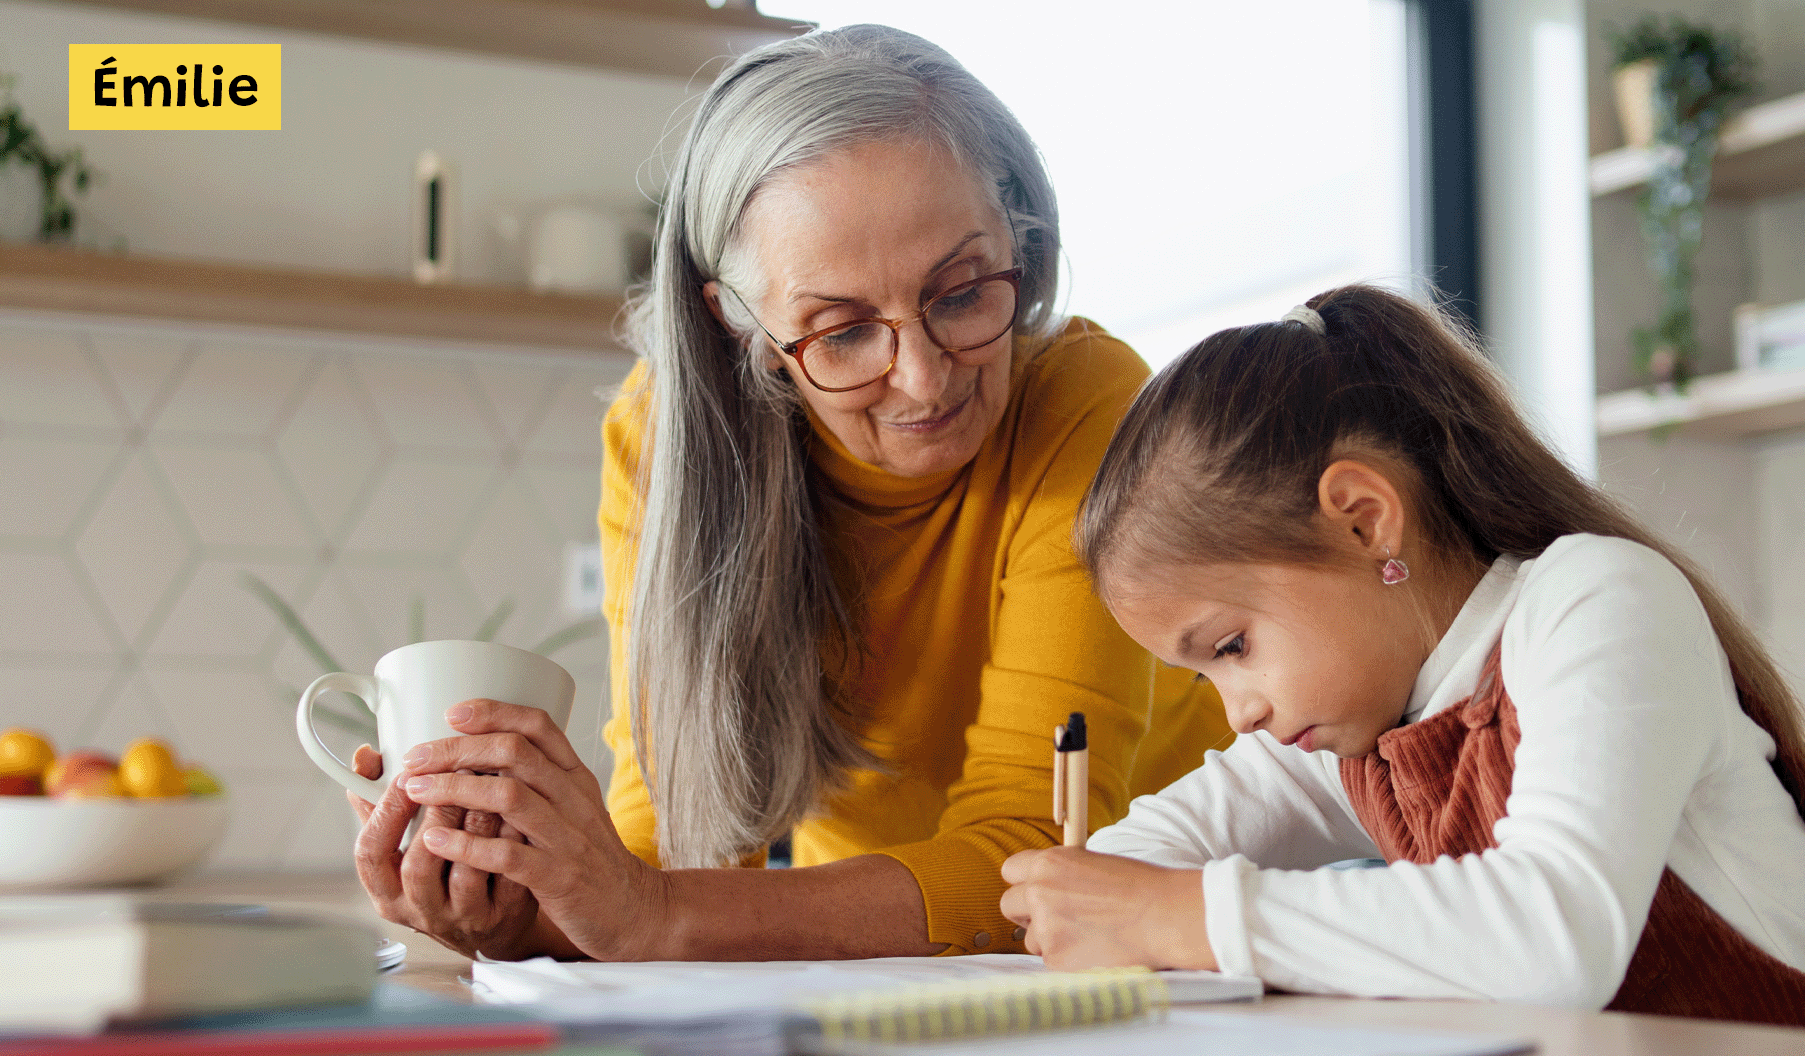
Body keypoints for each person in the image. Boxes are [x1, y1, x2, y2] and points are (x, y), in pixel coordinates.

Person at [345, 24, 1231, 962]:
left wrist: (647, 909)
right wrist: (519, 912)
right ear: (737, 320)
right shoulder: (666, 439)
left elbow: (1036, 848)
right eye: (843, 332)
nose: (926, 378)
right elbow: (672, 846)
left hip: (1170, 931)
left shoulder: (1084, 401)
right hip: (879, 957)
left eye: (964, 292)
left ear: (1022, 231)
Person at [999, 284, 1805, 1029]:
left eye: (1232, 646)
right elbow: (1139, 859)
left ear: (1362, 518)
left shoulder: (1596, 600)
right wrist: (1079, 897)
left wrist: (1180, 917)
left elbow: (1551, 933)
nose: (1239, 711)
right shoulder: (1363, 733)